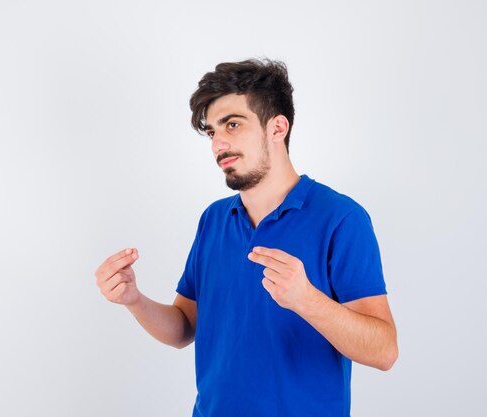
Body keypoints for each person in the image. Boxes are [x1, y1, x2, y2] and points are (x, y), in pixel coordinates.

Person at [95, 59, 398, 417]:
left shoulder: (341, 218)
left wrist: (306, 300)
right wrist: (134, 300)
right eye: (211, 132)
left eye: (233, 125)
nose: (218, 144)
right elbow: (184, 327)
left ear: (277, 127)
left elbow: (384, 351)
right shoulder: (214, 219)